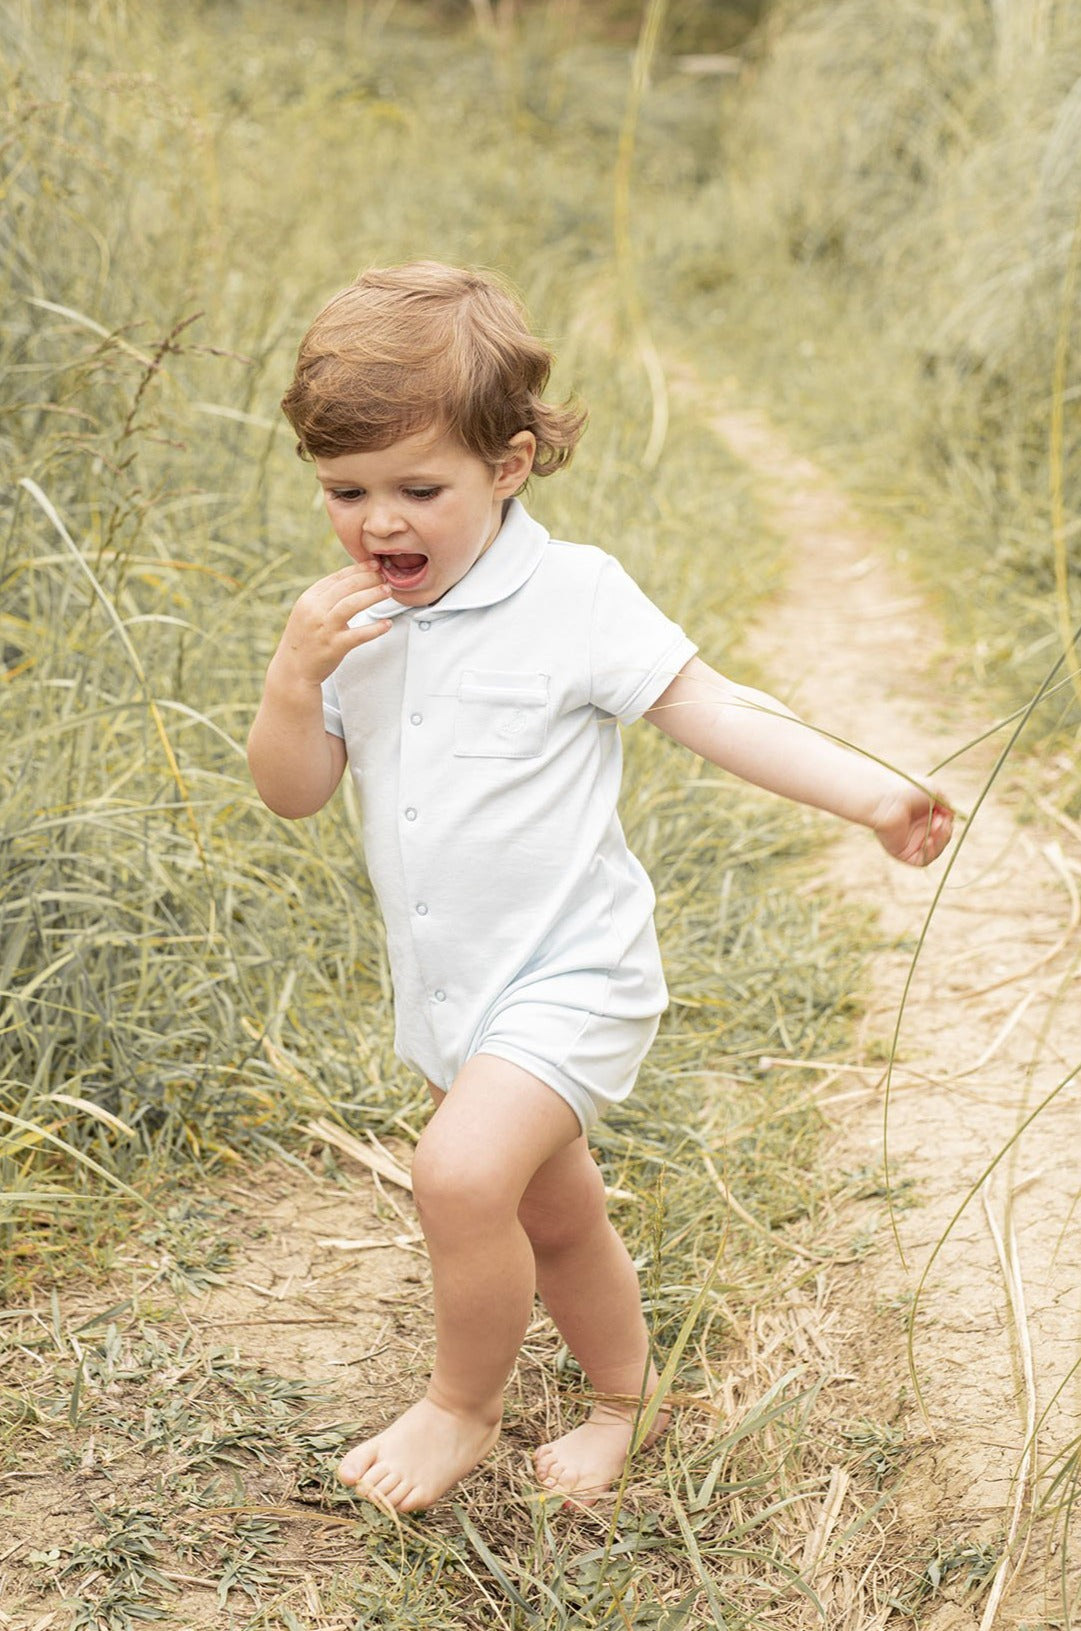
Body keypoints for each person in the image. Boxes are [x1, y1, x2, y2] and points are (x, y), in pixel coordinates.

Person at [248, 260, 953, 1516]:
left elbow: (711, 708)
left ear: (508, 467)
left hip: (571, 974)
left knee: (459, 1175)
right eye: (343, 492)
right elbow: (294, 789)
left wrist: (869, 791)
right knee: (555, 1215)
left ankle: (458, 1404)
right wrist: (293, 683)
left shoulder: (572, 598)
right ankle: (625, 1397)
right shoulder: (353, 626)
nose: (378, 524)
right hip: (453, 995)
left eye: (420, 488)